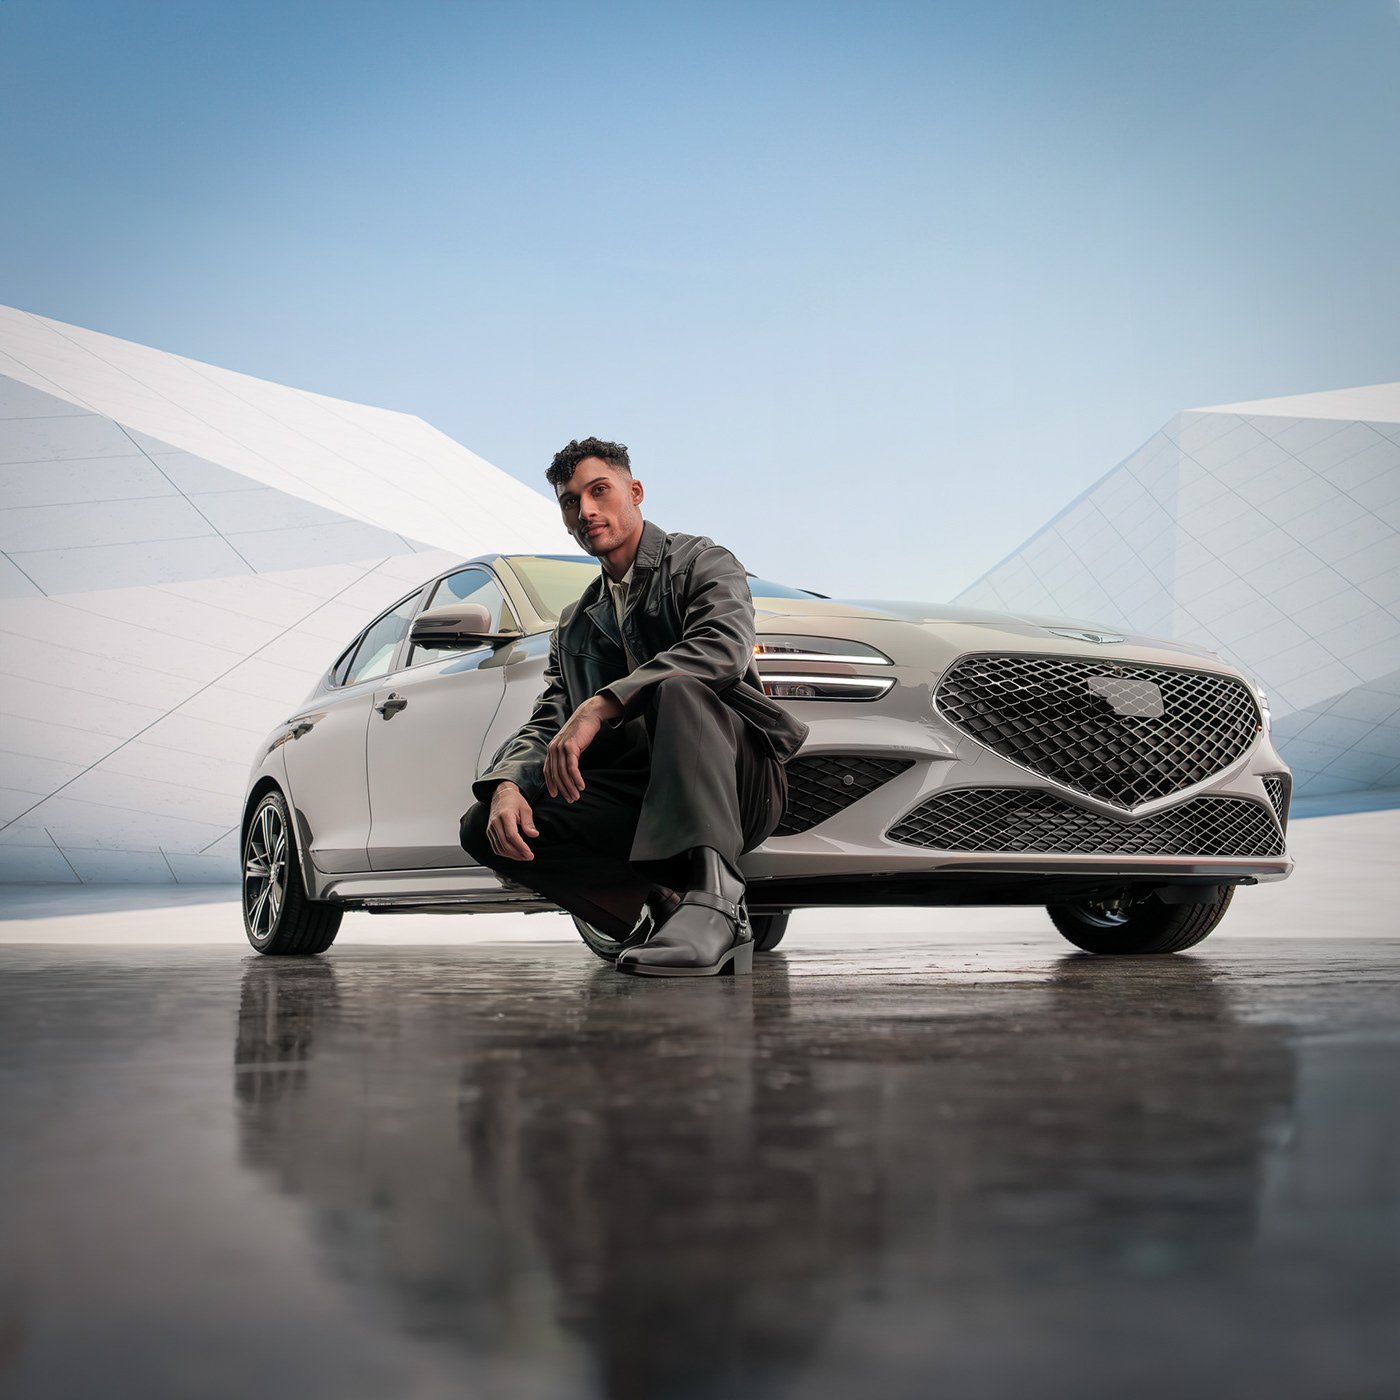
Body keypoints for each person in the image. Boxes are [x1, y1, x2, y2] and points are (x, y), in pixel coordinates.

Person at [459, 437, 808, 977]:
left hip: (737, 785)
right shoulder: (575, 624)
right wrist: (508, 784)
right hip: (642, 798)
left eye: (600, 491)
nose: (588, 510)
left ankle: (716, 902)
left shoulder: (701, 561)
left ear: (635, 492)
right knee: (485, 823)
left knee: (680, 689)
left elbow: (722, 647)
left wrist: (603, 703)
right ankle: (659, 908)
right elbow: (550, 715)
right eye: (572, 502)